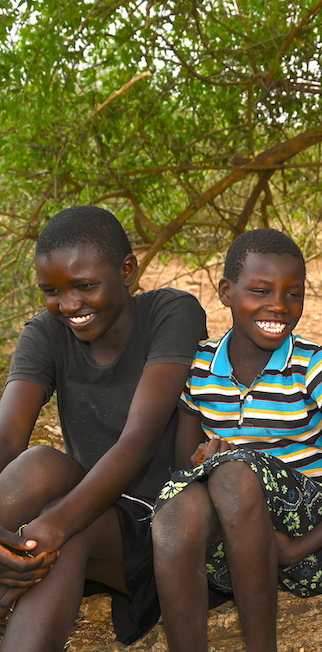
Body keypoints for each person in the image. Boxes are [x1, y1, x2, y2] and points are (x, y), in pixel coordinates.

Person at [151, 229, 322, 652]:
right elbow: (186, 469)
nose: (279, 306)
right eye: (261, 290)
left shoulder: (313, 363)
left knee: (233, 472)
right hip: (233, 551)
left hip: (307, 545)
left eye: (293, 294)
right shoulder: (198, 367)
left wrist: (296, 547)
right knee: (176, 512)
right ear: (227, 292)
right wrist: (207, 458)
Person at [0, 206, 206, 651]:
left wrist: (49, 528)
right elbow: (6, 440)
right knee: (39, 462)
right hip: (92, 507)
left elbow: (137, 438)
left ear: (128, 270)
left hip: (166, 530)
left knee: (65, 536)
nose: (68, 304)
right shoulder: (47, 333)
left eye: (85, 285)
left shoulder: (172, 313)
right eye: (51, 290)